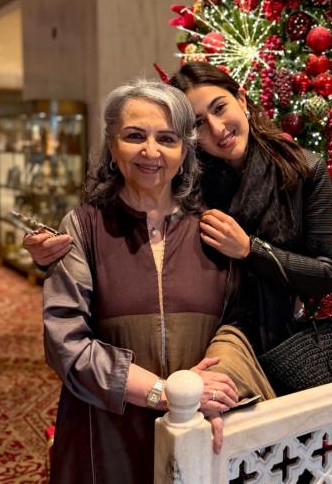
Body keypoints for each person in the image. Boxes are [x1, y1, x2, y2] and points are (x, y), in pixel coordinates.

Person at [42, 80, 272, 484]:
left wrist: (212, 390)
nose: (151, 151)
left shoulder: (213, 228)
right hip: (106, 429)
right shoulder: (83, 227)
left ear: (184, 151)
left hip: (199, 426)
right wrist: (166, 393)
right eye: (135, 136)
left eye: (166, 139)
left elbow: (238, 320)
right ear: (112, 146)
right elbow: (67, 343)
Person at [28, 62, 332, 358]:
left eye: (220, 108)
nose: (217, 128)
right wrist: (57, 254)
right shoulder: (188, 179)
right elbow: (131, 237)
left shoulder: (303, 170)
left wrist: (249, 249)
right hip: (208, 345)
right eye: (199, 122)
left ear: (242, 99)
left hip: (285, 342)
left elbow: (327, 275)